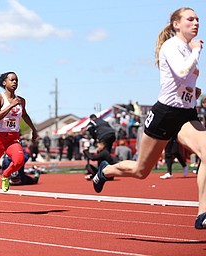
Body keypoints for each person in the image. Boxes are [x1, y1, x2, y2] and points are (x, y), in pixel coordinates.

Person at [91, 7, 205, 229]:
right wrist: (196, 51)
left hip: (186, 114)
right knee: (141, 171)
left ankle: (203, 214)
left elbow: (182, 81)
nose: (196, 23)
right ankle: (105, 170)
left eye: (198, 19)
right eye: (190, 19)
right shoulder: (172, 46)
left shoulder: (185, 48)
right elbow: (181, 72)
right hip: (165, 114)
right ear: (176, 24)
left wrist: (193, 91)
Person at [0, 71, 38, 213]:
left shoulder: (21, 101)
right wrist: (11, 106)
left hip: (12, 138)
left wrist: (34, 129)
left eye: (16, 80)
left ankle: (6, 174)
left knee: (19, 160)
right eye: (12, 80)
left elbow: (25, 114)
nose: (15, 82)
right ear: (4, 83)